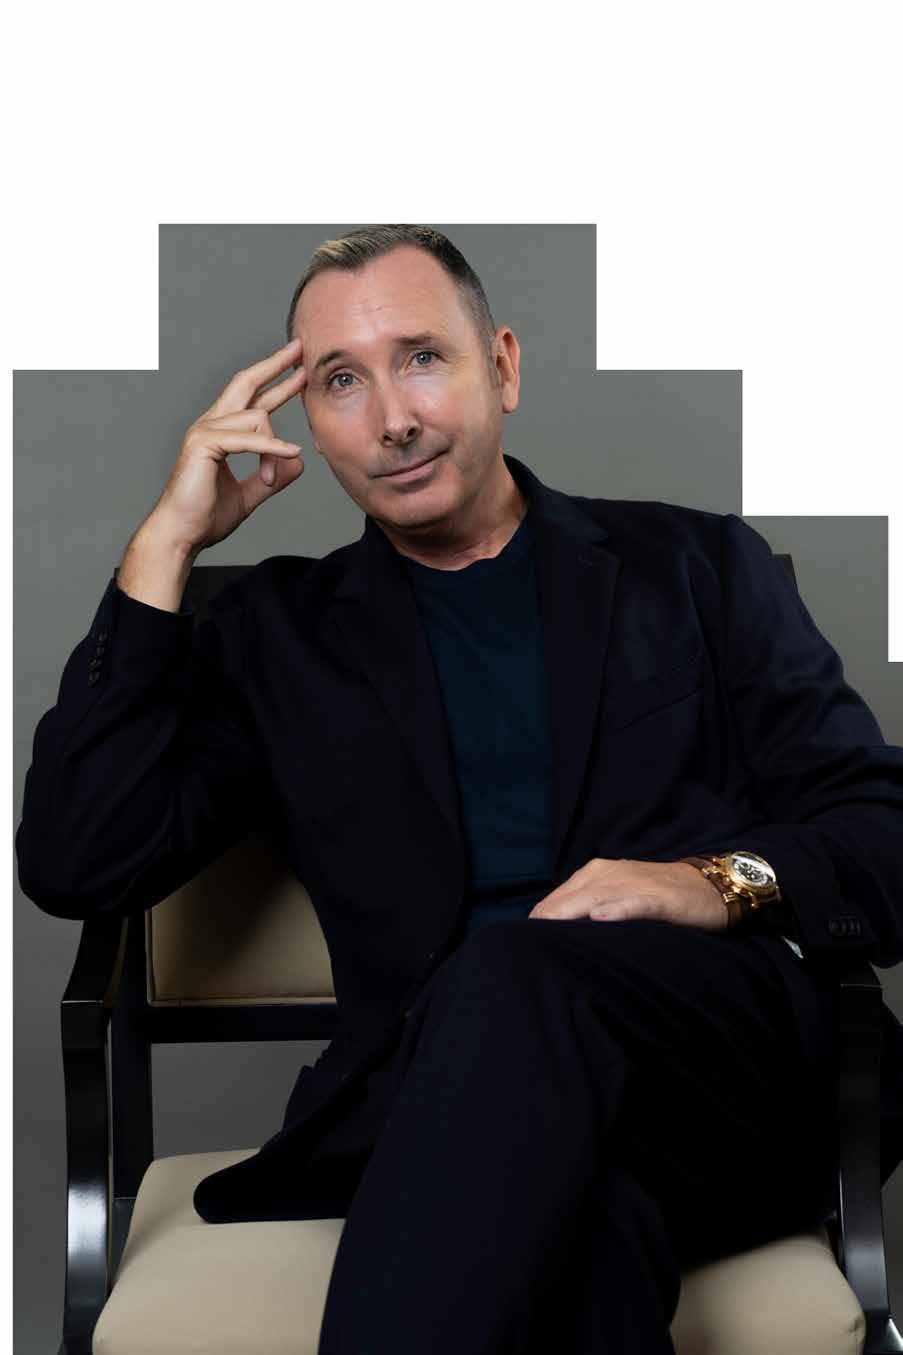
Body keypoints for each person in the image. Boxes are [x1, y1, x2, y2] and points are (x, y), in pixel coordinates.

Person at [16, 224, 903, 1354]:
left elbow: (883, 832)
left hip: (724, 1078)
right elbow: (78, 857)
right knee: (587, 1229)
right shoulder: (279, 636)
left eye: (423, 358)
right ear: (309, 422)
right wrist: (165, 546)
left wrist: (712, 881)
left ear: (504, 367)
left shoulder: (697, 570)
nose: (392, 417)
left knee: (515, 974)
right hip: (449, 1101)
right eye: (341, 381)